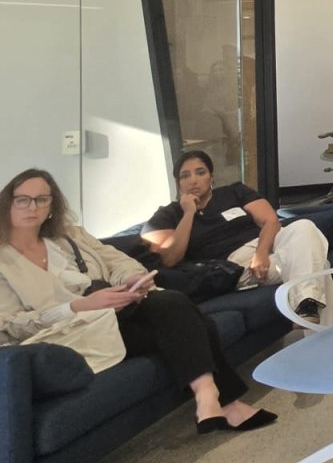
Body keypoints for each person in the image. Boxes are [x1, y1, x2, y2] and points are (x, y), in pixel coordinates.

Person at [2, 168, 276, 434]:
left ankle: (210, 400)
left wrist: (131, 280)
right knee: (185, 315)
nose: (32, 207)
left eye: (41, 199)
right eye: (22, 199)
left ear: (52, 205)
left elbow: (118, 260)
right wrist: (79, 305)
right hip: (72, 331)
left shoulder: (70, 236)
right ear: (7, 203)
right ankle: (221, 400)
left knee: (173, 309)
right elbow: (10, 326)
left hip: (116, 311)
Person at [145, 151, 333, 324]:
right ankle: (309, 309)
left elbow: (271, 222)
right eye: (185, 176)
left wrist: (261, 253)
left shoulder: (234, 192)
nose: (193, 180)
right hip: (237, 265)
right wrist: (188, 213)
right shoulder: (169, 214)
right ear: (178, 184)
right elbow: (170, 258)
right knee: (317, 264)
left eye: (200, 172)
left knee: (304, 226)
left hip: (268, 246)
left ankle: (308, 309)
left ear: (211, 178)